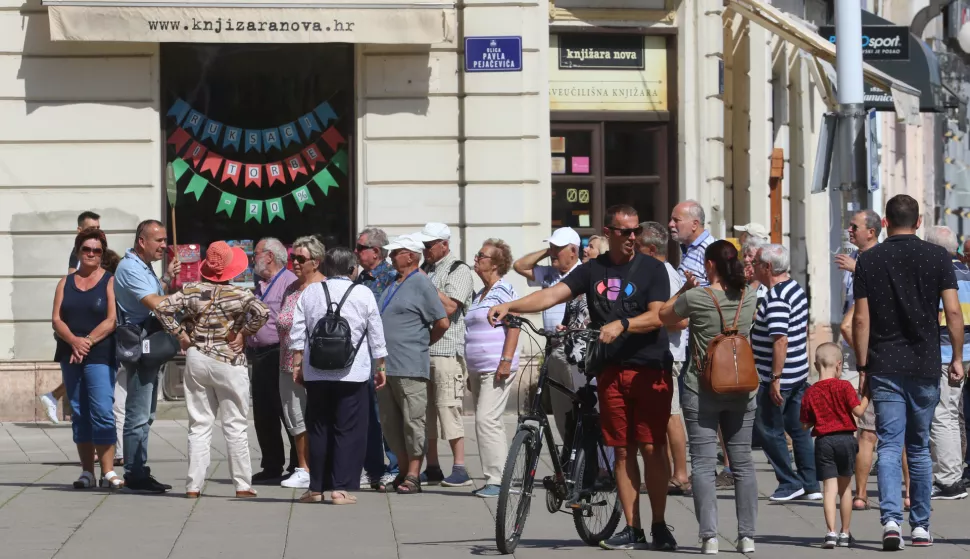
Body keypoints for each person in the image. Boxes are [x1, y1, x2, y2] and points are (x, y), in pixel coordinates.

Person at [490, 205, 676, 551]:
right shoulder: (594, 270)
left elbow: (658, 316)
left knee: (651, 447)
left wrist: (622, 324)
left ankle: (660, 525)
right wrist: (512, 306)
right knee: (622, 451)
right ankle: (633, 529)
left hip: (649, 368)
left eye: (636, 231)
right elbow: (551, 295)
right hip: (609, 370)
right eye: (625, 232)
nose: (632, 237)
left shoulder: (653, 270)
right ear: (610, 232)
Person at [851, 194, 964, 550]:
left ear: (884, 222)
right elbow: (953, 311)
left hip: (885, 363)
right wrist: (957, 357)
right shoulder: (937, 257)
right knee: (917, 447)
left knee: (888, 444)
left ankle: (889, 522)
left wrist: (862, 365)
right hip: (926, 362)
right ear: (918, 222)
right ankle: (921, 526)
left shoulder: (869, 260)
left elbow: (861, 319)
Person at [658, 239, 759, 555]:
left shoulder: (697, 297)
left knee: (701, 464)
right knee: (742, 463)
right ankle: (747, 538)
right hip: (742, 387)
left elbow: (664, 315)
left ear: (710, 265)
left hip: (701, 387)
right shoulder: (750, 296)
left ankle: (709, 538)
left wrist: (682, 290)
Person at [155, 241, 269, 498]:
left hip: (197, 358)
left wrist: (181, 335)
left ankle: (193, 486)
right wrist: (243, 333)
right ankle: (242, 485)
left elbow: (162, 309)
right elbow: (262, 312)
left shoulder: (191, 289)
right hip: (229, 361)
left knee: (199, 424)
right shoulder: (241, 295)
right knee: (235, 424)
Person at [288, 247, 388, 504]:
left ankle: (316, 489)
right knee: (349, 429)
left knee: (318, 428)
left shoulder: (311, 291)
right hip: (352, 372)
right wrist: (381, 366)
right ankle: (340, 489)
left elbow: (297, 330)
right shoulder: (362, 292)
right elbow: (375, 331)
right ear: (351, 269)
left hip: (317, 371)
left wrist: (297, 364)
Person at [378, 234, 450, 495]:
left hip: (410, 366)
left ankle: (413, 474)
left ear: (411, 255)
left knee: (413, 420)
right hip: (387, 367)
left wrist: (422, 344)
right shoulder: (394, 283)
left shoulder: (421, 283)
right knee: (390, 422)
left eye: (395, 252)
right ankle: (404, 468)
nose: (390, 256)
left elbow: (442, 322)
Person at [51, 227, 122, 489]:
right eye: (86, 249)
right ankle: (86, 472)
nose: (91, 254)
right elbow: (56, 319)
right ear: (78, 250)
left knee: (102, 410)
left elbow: (112, 320)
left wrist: (88, 341)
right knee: (79, 412)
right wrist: (74, 341)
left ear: (102, 253)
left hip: (100, 353)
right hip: (71, 353)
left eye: (97, 250)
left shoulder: (110, 280)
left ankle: (108, 472)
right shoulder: (65, 282)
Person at [114, 219, 179, 492]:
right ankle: (134, 474)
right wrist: (190, 299)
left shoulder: (143, 267)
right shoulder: (130, 267)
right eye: (160, 240)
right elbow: (154, 303)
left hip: (150, 343)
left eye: (165, 240)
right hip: (141, 346)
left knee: (147, 414)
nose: (165, 245)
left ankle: (139, 469)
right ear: (142, 241)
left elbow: (155, 295)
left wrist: (167, 284)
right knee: (138, 414)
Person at [751, 244, 821, 502]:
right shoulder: (794, 288)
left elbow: (780, 340)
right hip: (797, 373)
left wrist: (775, 379)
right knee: (799, 428)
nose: (753, 266)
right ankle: (810, 483)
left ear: (767, 267)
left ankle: (789, 482)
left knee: (769, 429)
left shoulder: (777, 297)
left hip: (779, 378)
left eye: (756, 262)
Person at [415, 223, 475, 487]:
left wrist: (423, 282)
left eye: (429, 246)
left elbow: (450, 306)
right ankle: (433, 466)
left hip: (446, 351)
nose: (425, 250)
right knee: (425, 413)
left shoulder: (458, 269)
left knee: (448, 408)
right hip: (422, 350)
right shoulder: (426, 270)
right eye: (424, 246)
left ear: (444, 245)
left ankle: (460, 467)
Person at [835, 210, 886, 511]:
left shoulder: (878, 258)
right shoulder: (854, 256)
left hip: (870, 349)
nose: (850, 230)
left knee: (874, 429)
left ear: (873, 231)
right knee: (857, 425)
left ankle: (863, 493)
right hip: (855, 349)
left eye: (855, 227)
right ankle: (858, 491)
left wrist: (858, 269)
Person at [512, 226, 583, 441]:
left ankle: (583, 455)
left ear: (573, 251)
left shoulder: (583, 273)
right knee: (559, 408)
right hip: (551, 345)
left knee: (578, 404)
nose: (554, 252)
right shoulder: (550, 273)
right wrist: (548, 251)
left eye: (559, 248)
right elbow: (519, 265)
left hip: (574, 347)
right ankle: (567, 455)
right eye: (552, 246)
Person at [464, 239, 521, 498]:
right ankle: (497, 477)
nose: (476, 259)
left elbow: (514, 325)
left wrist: (506, 361)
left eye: (482, 256)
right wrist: (469, 369)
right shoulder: (481, 294)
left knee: (487, 420)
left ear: (496, 264)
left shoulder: (504, 291)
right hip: (479, 368)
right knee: (489, 421)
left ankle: (497, 480)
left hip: (496, 367)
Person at [799, 343, 871, 549]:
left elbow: (804, 424)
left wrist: (820, 416)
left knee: (829, 490)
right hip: (846, 440)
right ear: (839, 365)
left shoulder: (810, 392)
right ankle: (845, 533)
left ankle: (830, 532)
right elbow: (858, 412)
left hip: (824, 442)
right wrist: (867, 396)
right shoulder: (844, 387)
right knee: (845, 489)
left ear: (815, 365)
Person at [637, 222, 690, 496]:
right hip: (659, 354)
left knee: (671, 415)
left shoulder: (666, 275)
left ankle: (681, 474)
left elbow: (681, 320)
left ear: (651, 248)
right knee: (663, 415)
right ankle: (668, 473)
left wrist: (651, 320)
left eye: (638, 247)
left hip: (670, 354)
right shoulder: (655, 272)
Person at [922, 226, 970, 501]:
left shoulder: (939, 274)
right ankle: (951, 475)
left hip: (943, 353)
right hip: (961, 352)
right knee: (952, 414)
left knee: (943, 416)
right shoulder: (967, 273)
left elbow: (946, 315)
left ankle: (949, 479)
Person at [41, 210, 103, 424]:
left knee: (82, 375)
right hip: (77, 329)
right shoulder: (78, 256)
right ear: (79, 231)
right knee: (80, 373)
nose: (95, 233)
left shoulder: (96, 252)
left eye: (98, 228)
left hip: (93, 330)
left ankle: (57, 398)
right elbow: (72, 286)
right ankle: (58, 400)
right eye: (90, 229)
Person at [275, 236, 327, 490]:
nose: (294, 262)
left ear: (315, 262)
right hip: (287, 363)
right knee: (295, 417)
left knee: (320, 416)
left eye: (300, 258)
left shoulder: (324, 288)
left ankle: (323, 466)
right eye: (292, 257)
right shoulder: (292, 288)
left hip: (318, 364)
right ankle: (303, 468)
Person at [247, 237, 299, 484]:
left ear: (268, 256)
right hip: (258, 354)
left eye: (255, 253)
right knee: (263, 412)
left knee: (286, 408)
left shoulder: (289, 282)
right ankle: (271, 464)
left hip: (280, 352)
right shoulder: (261, 284)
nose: (252, 257)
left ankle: (298, 463)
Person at [354, 227, 399, 489]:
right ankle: (373, 468)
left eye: (361, 248)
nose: (357, 252)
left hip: (385, 354)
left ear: (377, 251)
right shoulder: (361, 279)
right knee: (368, 414)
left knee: (386, 414)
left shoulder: (392, 278)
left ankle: (394, 466)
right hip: (364, 355)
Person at [669, 200, 715, 286]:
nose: (671, 224)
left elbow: (720, 290)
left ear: (694, 224)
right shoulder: (689, 248)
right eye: (671, 220)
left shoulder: (711, 250)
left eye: (676, 220)